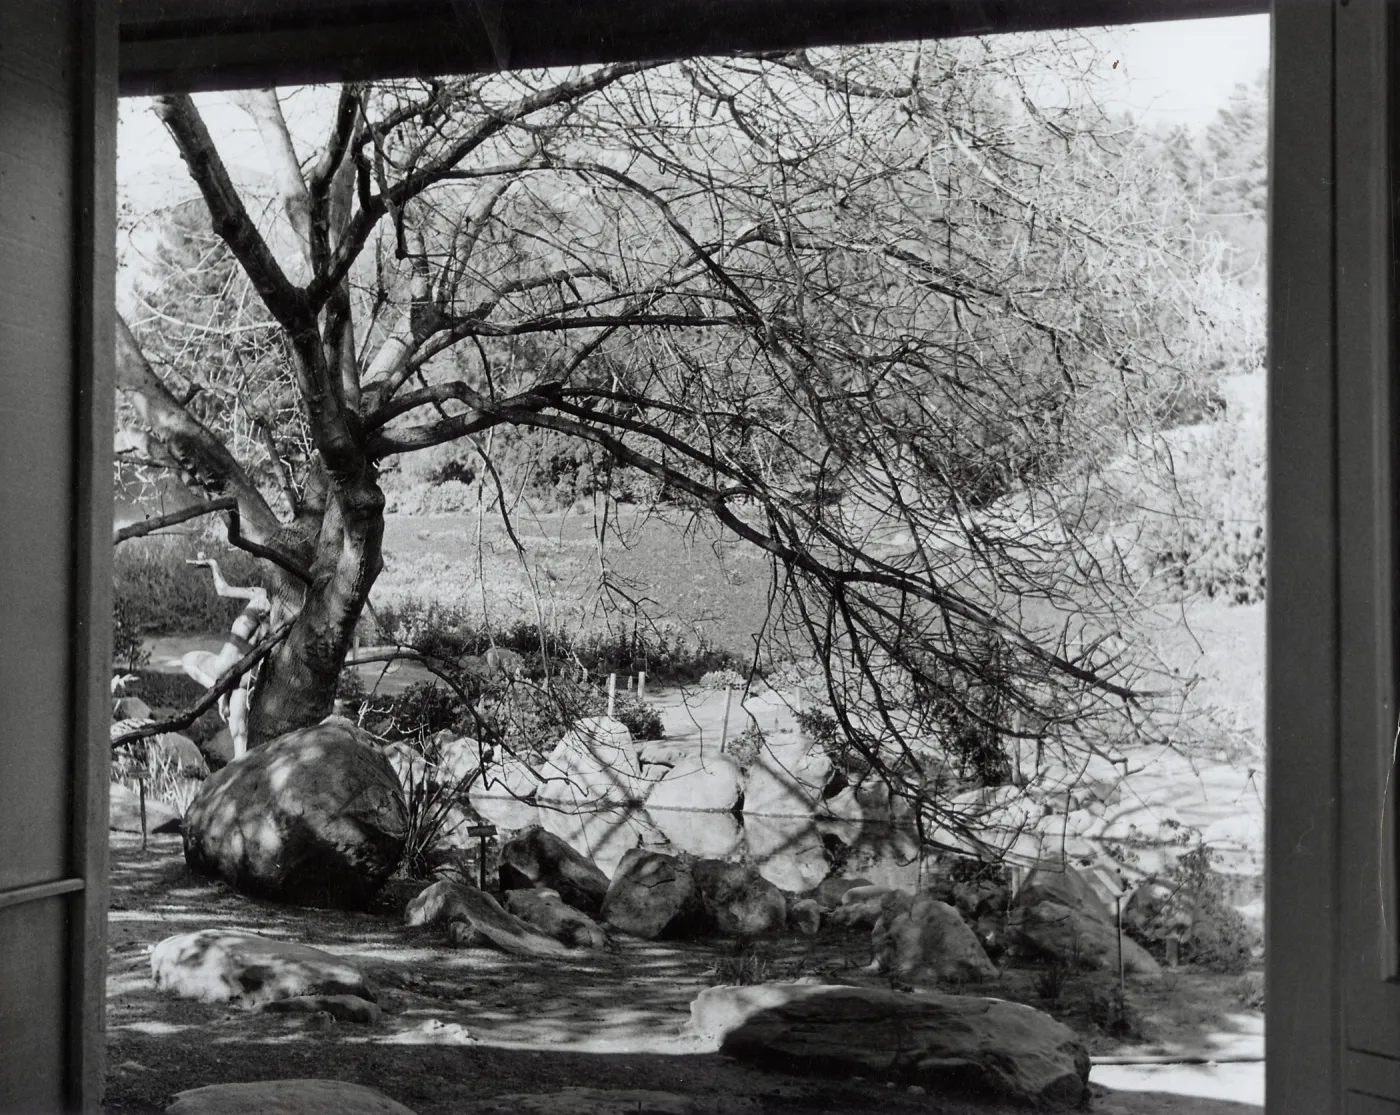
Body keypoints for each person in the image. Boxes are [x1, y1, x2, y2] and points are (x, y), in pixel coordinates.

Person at [180, 554, 272, 759]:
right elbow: (223, 589)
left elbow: (222, 590)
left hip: (225, 667)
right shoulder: (273, 604)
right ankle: (241, 776)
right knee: (239, 733)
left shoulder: (260, 596)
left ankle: (218, 689)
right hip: (245, 678)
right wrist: (213, 564)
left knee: (187, 659)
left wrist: (213, 565)